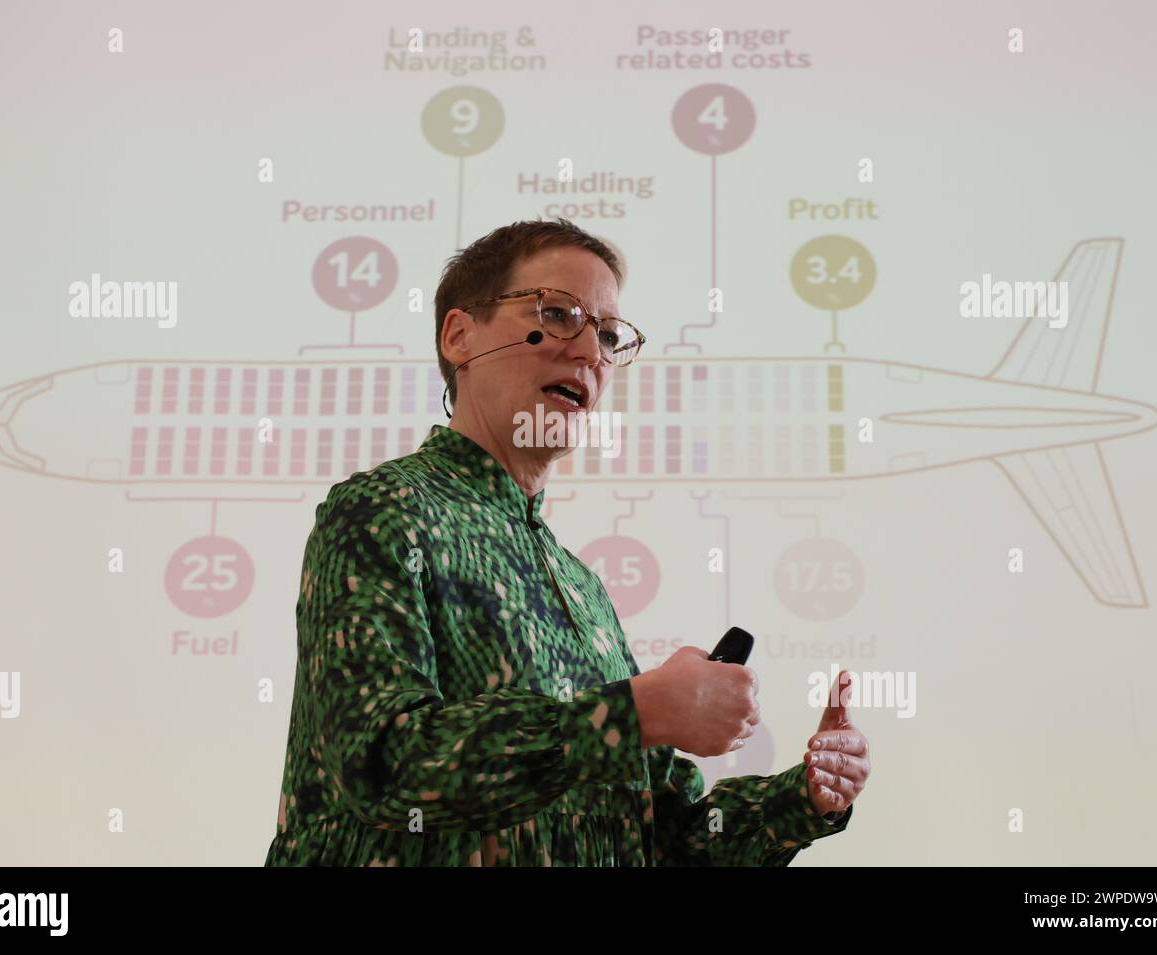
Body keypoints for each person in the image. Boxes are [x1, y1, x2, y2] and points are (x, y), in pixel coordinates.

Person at [264, 218, 870, 866]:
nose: (589, 353)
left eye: (609, 336)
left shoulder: (582, 589)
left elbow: (664, 838)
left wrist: (806, 798)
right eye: (557, 315)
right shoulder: (382, 513)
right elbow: (382, 763)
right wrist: (635, 713)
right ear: (459, 335)